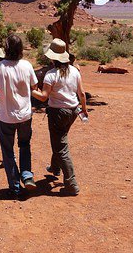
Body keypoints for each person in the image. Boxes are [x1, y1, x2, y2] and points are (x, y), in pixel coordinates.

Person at [32, 39, 86, 196]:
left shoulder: (51, 75)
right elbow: (81, 93)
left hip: (58, 113)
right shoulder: (75, 71)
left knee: (61, 147)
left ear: (52, 57)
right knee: (60, 139)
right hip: (73, 111)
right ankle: (55, 168)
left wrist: (29, 90)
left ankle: (71, 183)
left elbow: (43, 97)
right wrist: (83, 109)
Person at [0, 35, 38, 197]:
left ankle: (15, 186)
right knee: (25, 145)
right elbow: (34, 86)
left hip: (6, 117)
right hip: (25, 116)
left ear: (6, 49)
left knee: (8, 152)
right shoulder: (27, 65)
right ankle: (27, 175)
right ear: (21, 49)